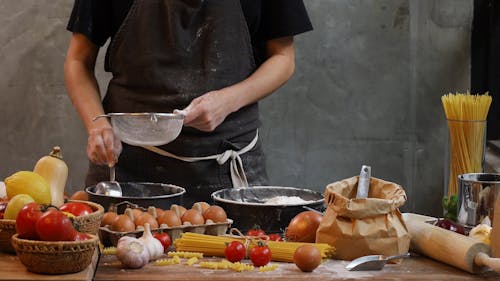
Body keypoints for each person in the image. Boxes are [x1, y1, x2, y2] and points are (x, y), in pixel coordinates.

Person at [64, 0, 313, 207]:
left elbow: (283, 58)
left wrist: (227, 101)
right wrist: (97, 126)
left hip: (227, 171)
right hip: (128, 171)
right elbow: (78, 61)